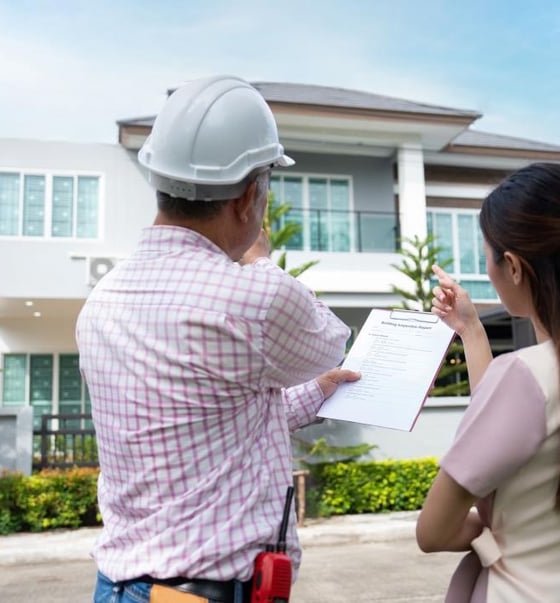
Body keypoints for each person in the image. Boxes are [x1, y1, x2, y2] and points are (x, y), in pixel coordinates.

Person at [76, 75, 358, 603]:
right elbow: (330, 342)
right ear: (249, 196)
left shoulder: (102, 299)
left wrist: (318, 392)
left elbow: (204, 419)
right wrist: (260, 260)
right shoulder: (252, 297)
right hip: (197, 593)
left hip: (119, 587)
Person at [415, 162, 560, 602]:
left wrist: (493, 536)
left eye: (487, 255)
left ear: (513, 266)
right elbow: (511, 421)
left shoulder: (524, 376)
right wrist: (471, 330)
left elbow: (434, 530)